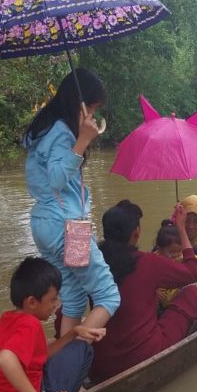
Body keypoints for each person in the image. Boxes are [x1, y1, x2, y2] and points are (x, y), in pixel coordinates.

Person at [24, 69, 120, 337]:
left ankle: (62, 370)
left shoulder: (43, 128)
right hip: (67, 227)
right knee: (108, 296)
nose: (91, 115)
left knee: (75, 297)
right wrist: (82, 141)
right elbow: (56, 178)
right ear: (77, 102)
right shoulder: (63, 132)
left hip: (45, 224)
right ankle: (69, 364)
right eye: (91, 107)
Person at [0, 257, 106, 392]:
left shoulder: (8, 318)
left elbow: (41, 356)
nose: (56, 304)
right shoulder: (30, 325)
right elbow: (5, 359)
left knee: (73, 345)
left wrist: (73, 332)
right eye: (53, 299)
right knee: (83, 349)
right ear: (32, 302)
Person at [91, 200, 197, 383]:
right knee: (192, 291)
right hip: (142, 355)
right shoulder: (147, 262)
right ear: (136, 232)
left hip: (100, 363)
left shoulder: (92, 263)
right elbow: (193, 272)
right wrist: (181, 229)